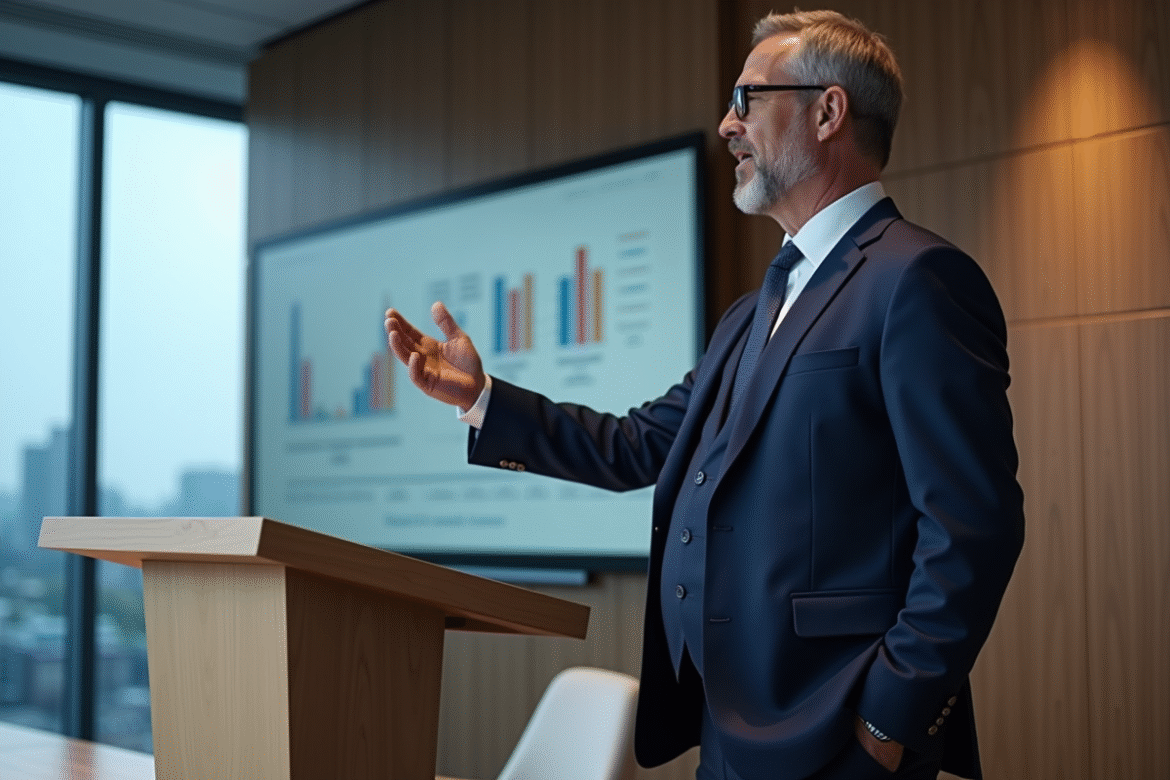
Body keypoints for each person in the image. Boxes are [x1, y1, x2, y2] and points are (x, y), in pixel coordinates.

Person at [385, 10, 1023, 780]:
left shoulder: (917, 280)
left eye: (748, 97)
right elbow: (641, 445)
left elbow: (973, 530)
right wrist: (484, 399)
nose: (728, 124)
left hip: (839, 737)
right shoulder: (751, 315)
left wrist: (886, 725)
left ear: (828, 112)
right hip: (727, 732)